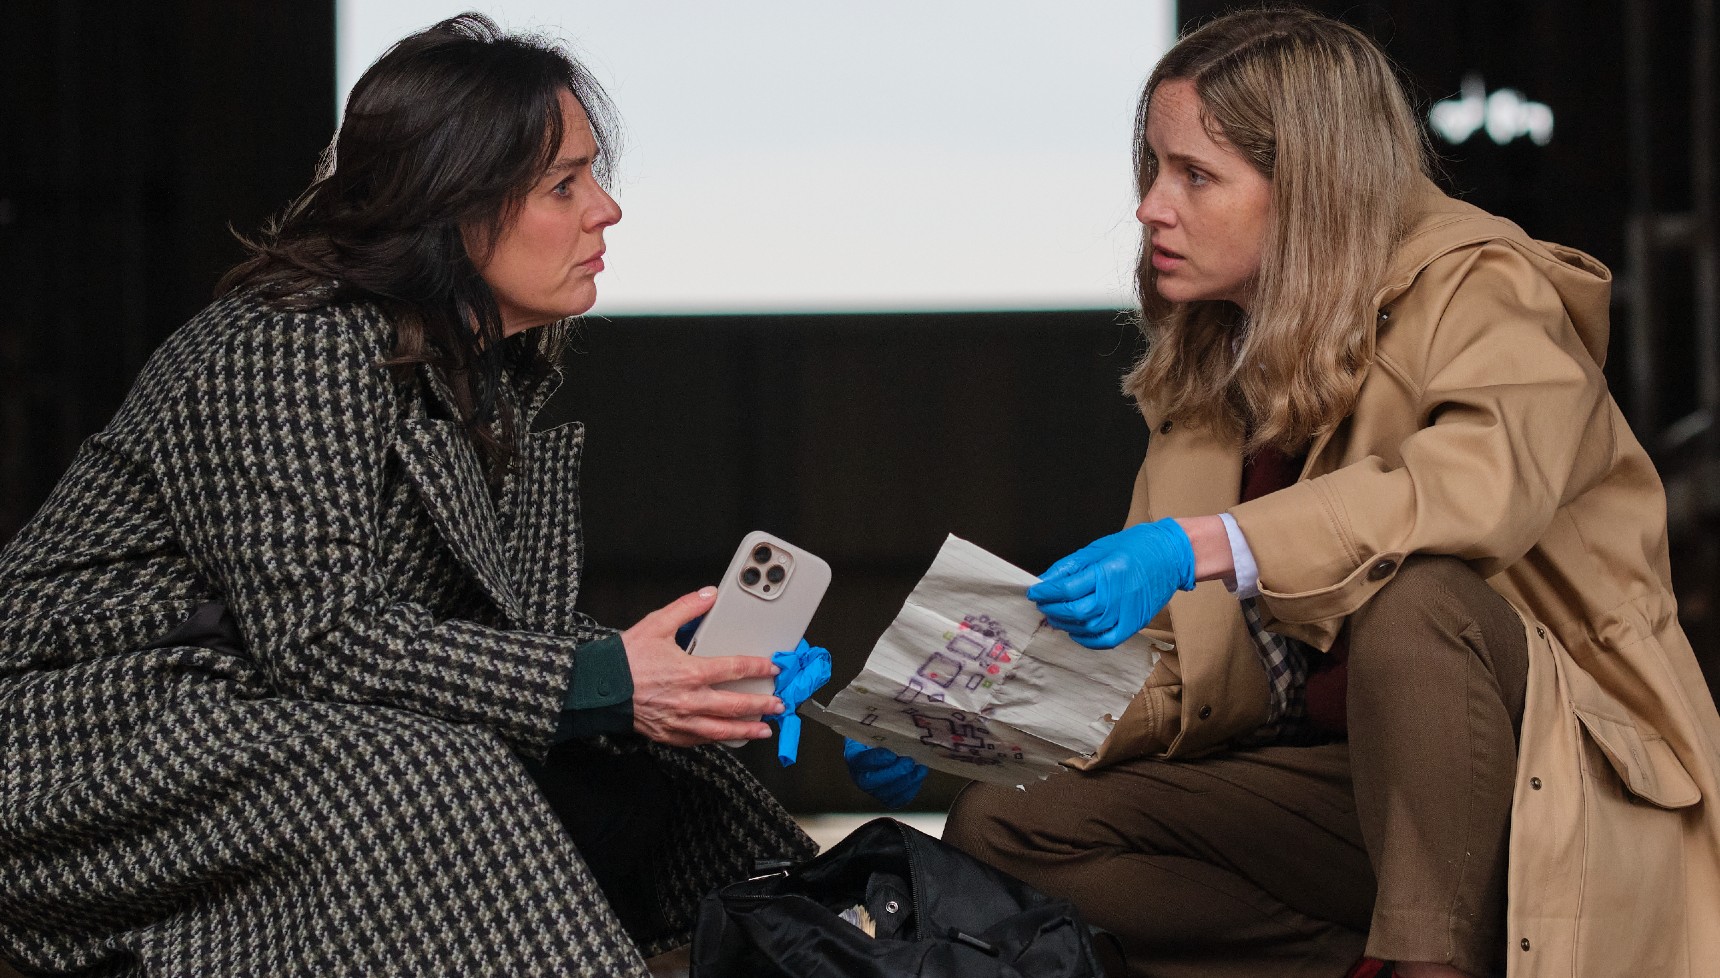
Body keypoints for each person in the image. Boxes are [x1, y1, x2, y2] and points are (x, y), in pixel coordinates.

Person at [848, 8, 1720, 978]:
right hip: (1355, 796)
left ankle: (1428, 967)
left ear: (1307, 193)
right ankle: (1362, 963)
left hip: (1540, 785)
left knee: (1414, 603)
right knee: (1006, 825)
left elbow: (1483, 486)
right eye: (1151, 166)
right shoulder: (1217, 362)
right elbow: (1186, 677)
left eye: (1194, 175)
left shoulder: (1485, 289)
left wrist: (1206, 543)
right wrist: (968, 728)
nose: (1148, 206)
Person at [0, 14, 818, 976]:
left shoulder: (475, 373)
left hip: (258, 708)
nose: (606, 210)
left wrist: (673, 672)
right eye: (565, 184)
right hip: (93, 734)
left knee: (658, 773)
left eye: (593, 175)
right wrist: (605, 680)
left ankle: (834, 948)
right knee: (440, 774)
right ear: (453, 204)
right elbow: (321, 633)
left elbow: (458, 636)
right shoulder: (292, 342)